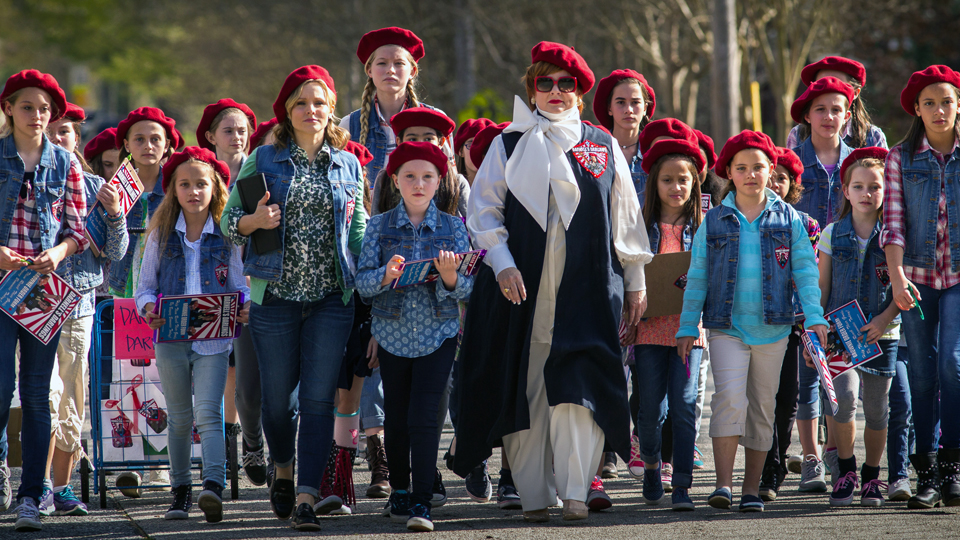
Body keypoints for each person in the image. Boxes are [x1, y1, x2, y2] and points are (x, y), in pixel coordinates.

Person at [455, 41, 652, 522]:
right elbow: (483, 213)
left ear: (581, 93)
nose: (556, 91)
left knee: (579, 384)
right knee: (525, 384)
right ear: (531, 88)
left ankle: (576, 493)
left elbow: (625, 218)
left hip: (587, 285)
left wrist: (636, 282)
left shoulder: (602, 144)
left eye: (567, 84)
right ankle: (534, 494)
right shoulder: (508, 143)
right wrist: (500, 263)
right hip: (518, 288)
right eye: (545, 83)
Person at [221, 65, 367, 531]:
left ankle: (306, 494)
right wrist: (254, 222)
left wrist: (372, 274)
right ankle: (282, 465)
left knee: (320, 399)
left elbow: (358, 227)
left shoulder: (349, 164)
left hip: (331, 297)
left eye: (319, 103)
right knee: (278, 403)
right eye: (301, 103)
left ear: (331, 110)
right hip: (275, 296)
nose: (311, 111)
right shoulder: (263, 159)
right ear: (287, 110)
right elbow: (228, 222)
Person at [676, 130, 828, 513]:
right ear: (729, 171)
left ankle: (750, 489)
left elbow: (806, 273)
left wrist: (814, 317)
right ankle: (723, 485)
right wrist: (686, 325)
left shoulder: (789, 219)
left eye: (758, 167)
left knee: (762, 406)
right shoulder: (713, 220)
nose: (750, 174)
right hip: (726, 326)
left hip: (774, 329)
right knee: (728, 399)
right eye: (741, 168)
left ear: (770, 169)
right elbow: (696, 276)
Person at [357, 141, 474, 532]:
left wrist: (451, 277)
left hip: (437, 335)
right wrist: (385, 276)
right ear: (395, 180)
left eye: (427, 177)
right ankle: (401, 491)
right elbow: (362, 284)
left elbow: (468, 287)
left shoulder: (453, 226)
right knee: (398, 419)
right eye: (410, 176)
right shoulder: (379, 225)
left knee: (426, 418)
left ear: (440, 181)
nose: (418, 184)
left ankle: (423, 500)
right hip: (391, 335)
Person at [137, 147, 250, 522]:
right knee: (180, 418)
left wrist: (245, 303)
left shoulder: (226, 236)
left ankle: (213, 486)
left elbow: (238, 284)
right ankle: (181, 491)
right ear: (173, 190)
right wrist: (149, 308)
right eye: (184, 184)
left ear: (215, 187)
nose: (193, 191)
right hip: (171, 339)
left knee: (208, 413)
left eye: (201, 184)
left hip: (214, 340)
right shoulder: (162, 235)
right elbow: (144, 288)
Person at [0, 69, 89, 532]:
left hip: (42, 293)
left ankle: (32, 496)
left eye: (44, 109)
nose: (37, 116)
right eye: (27, 107)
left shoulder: (65, 162)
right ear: (9, 109)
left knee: (37, 396)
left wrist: (58, 252)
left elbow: (78, 230)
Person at [38, 103, 128, 518]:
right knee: (43, 393)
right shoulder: (24, 182)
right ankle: (35, 485)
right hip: (32, 303)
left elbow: (114, 254)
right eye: (52, 131)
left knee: (72, 398)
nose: (58, 139)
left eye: (66, 132)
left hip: (78, 301)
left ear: (78, 140)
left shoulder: (95, 187)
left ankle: (62, 486)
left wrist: (114, 214)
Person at [881, 65, 960, 509]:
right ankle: (927, 473)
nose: (938, 109)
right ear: (917, 109)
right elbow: (892, 226)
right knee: (924, 373)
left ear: (958, 104)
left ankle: (954, 467)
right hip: (914, 277)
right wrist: (897, 278)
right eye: (929, 102)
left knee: (952, 363)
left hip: (959, 278)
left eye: (946, 100)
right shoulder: (900, 157)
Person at [813, 147, 898, 506]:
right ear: (845, 190)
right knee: (843, 401)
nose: (867, 194)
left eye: (875, 187)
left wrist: (883, 319)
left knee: (878, 409)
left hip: (883, 334)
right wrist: (814, 331)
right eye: (858, 186)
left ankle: (870, 476)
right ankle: (844, 470)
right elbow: (822, 287)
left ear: (886, 191)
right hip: (839, 334)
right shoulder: (833, 233)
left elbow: (902, 288)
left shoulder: (894, 236)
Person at [628, 138, 706, 511]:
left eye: (684, 180)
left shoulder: (705, 228)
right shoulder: (640, 228)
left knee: (684, 405)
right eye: (667, 180)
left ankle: (682, 485)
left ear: (694, 186)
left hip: (690, 330)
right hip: (649, 329)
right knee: (650, 410)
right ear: (654, 184)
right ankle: (651, 465)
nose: (676, 187)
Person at [111, 106, 183, 496]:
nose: (148, 145)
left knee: (168, 377)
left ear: (168, 145)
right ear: (126, 145)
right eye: (139, 138)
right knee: (130, 377)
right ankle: (131, 462)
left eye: (156, 138)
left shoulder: (177, 186)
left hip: (166, 294)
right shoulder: (117, 187)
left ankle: (163, 465)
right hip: (124, 294)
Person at [196, 98, 266, 485]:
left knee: (252, 377)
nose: (238, 136)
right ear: (210, 137)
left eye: (243, 130)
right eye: (229, 130)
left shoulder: (260, 171)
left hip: (253, 284)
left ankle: (253, 442)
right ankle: (220, 451)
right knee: (221, 372)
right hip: (210, 286)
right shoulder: (201, 175)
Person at [758, 146, 823, 500]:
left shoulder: (807, 225)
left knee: (787, 398)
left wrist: (809, 322)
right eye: (772, 175)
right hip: (759, 324)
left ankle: (781, 457)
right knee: (763, 398)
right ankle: (767, 468)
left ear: (794, 185)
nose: (776, 183)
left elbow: (809, 276)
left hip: (794, 327)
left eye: (783, 178)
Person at [790, 77, 856, 228]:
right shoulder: (791, 163)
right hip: (803, 249)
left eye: (836, 110)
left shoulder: (857, 163)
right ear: (807, 116)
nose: (828, 117)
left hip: (846, 250)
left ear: (846, 117)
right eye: (820, 109)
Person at [786, 56, 888, 150]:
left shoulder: (873, 137)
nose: (829, 89)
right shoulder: (798, 135)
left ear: (856, 92)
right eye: (821, 84)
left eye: (838, 86)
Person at [593, 69, 656, 200]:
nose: (628, 110)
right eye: (621, 102)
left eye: (635, 102)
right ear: (609, 108)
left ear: (645, 108)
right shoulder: (594, 151)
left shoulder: (654, 153)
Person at [453, 118, 494, 186]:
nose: (478, 150)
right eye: (471, 144)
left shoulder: (504, 190)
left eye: (485, 146)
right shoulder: (449, 190)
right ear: (461, 151)